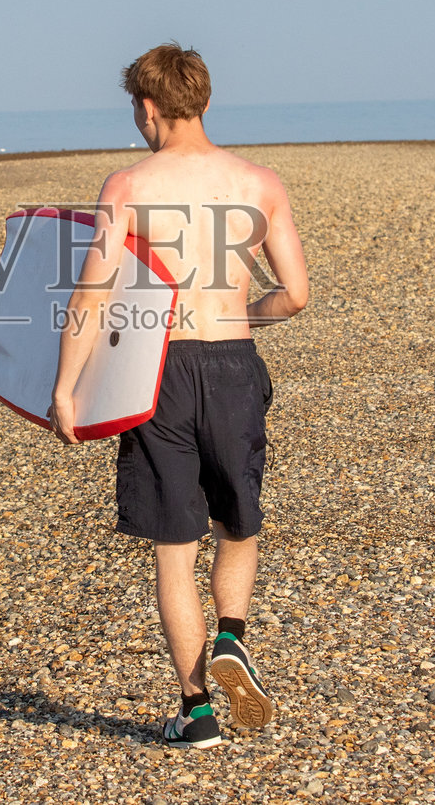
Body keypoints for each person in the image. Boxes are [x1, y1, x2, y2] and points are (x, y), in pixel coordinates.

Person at [47, 43, 309, 749]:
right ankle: (232, 634)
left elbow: (96, 293)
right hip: (231, 362)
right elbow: (297, 295)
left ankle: (196, 713)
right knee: (239, 525)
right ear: (205, 101)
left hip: (157, 368)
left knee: (173, 547)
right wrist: (243, 316)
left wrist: (66, 389)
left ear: (147, 106)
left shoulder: (128, 184)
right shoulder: (260, 182)